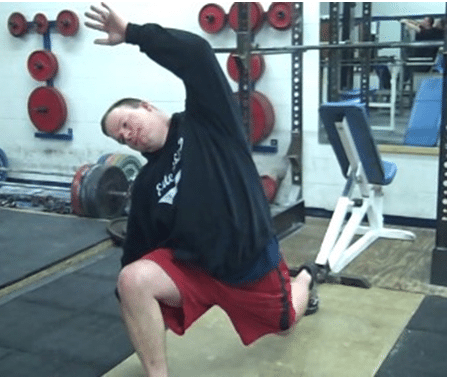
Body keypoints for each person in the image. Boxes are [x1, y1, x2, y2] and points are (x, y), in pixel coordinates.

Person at [85, 3, 319, 377]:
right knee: (132, 279)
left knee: (286, 322)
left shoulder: (207, 121)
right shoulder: (146, 183)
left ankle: (305, 278)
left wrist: (132, 32)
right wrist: (132, 301)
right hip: (194, 270)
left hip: (247, 265)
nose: (128, 135)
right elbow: (137, 251)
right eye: (122, 138)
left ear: (147, 106)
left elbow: (196, 54)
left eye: (127, 122)